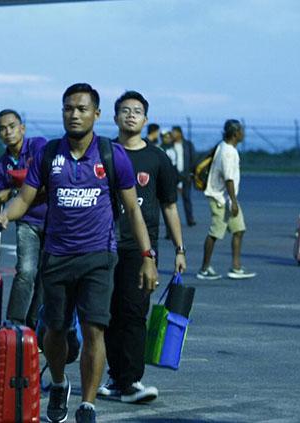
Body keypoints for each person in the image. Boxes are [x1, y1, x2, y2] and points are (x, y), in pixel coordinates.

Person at [0, 83, 157, 423]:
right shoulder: (49, 154)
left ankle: (88, 405)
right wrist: (5, 215)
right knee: (54, 330)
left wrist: (147, 256)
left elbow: (133, 210)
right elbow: (25, 197)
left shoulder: (112, 155)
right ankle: (59, 382)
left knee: (94, 328)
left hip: (99, 256)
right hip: (57, 255)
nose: (74, 114)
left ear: (96, 114)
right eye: (68, 108)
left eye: (81, 109)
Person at [97, 91, 186, 404]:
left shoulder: (157, 158)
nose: (130, 115)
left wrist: (179, 249)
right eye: (124, 110)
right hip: (103, 244)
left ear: (145, 119)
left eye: (137, 111)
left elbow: (170, 206)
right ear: (115, 117)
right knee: (107, 313)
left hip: (140, 248)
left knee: (134, 312)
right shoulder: (103, 152)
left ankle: (132, 380)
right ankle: (115, 376)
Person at [0, 109, 47, 329]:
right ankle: (14, 323)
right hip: (27, 221)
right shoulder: (2, 164)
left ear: (22, 128)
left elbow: (44, 182)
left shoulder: (39, 146)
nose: (8, 131)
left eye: (12, 126)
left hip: (54, 221)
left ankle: (36, 325)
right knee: (26, 271)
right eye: (2, 128)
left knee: (46, 277)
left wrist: (11, 192)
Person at [197, 119, 256, 281]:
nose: (243, 134)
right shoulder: (228, 152)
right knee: (215, 233)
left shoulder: (223, 146)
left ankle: (236, 267)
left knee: (238, 230)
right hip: (220, 199)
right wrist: (234, 201)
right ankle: (204, 269)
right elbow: (229, 179)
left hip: (227, 198)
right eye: (242, 131)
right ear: (236, 133)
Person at [171, 125, 196, 226]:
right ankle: (172, 221)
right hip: (174, 175)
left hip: (186, 175)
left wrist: (192, 173)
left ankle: (190, 219)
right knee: (172, 199)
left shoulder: (188, 145)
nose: (173, 134)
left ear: (180, 133)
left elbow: (193, 159)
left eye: (174, 132)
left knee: (187, 197)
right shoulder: (170, 145)